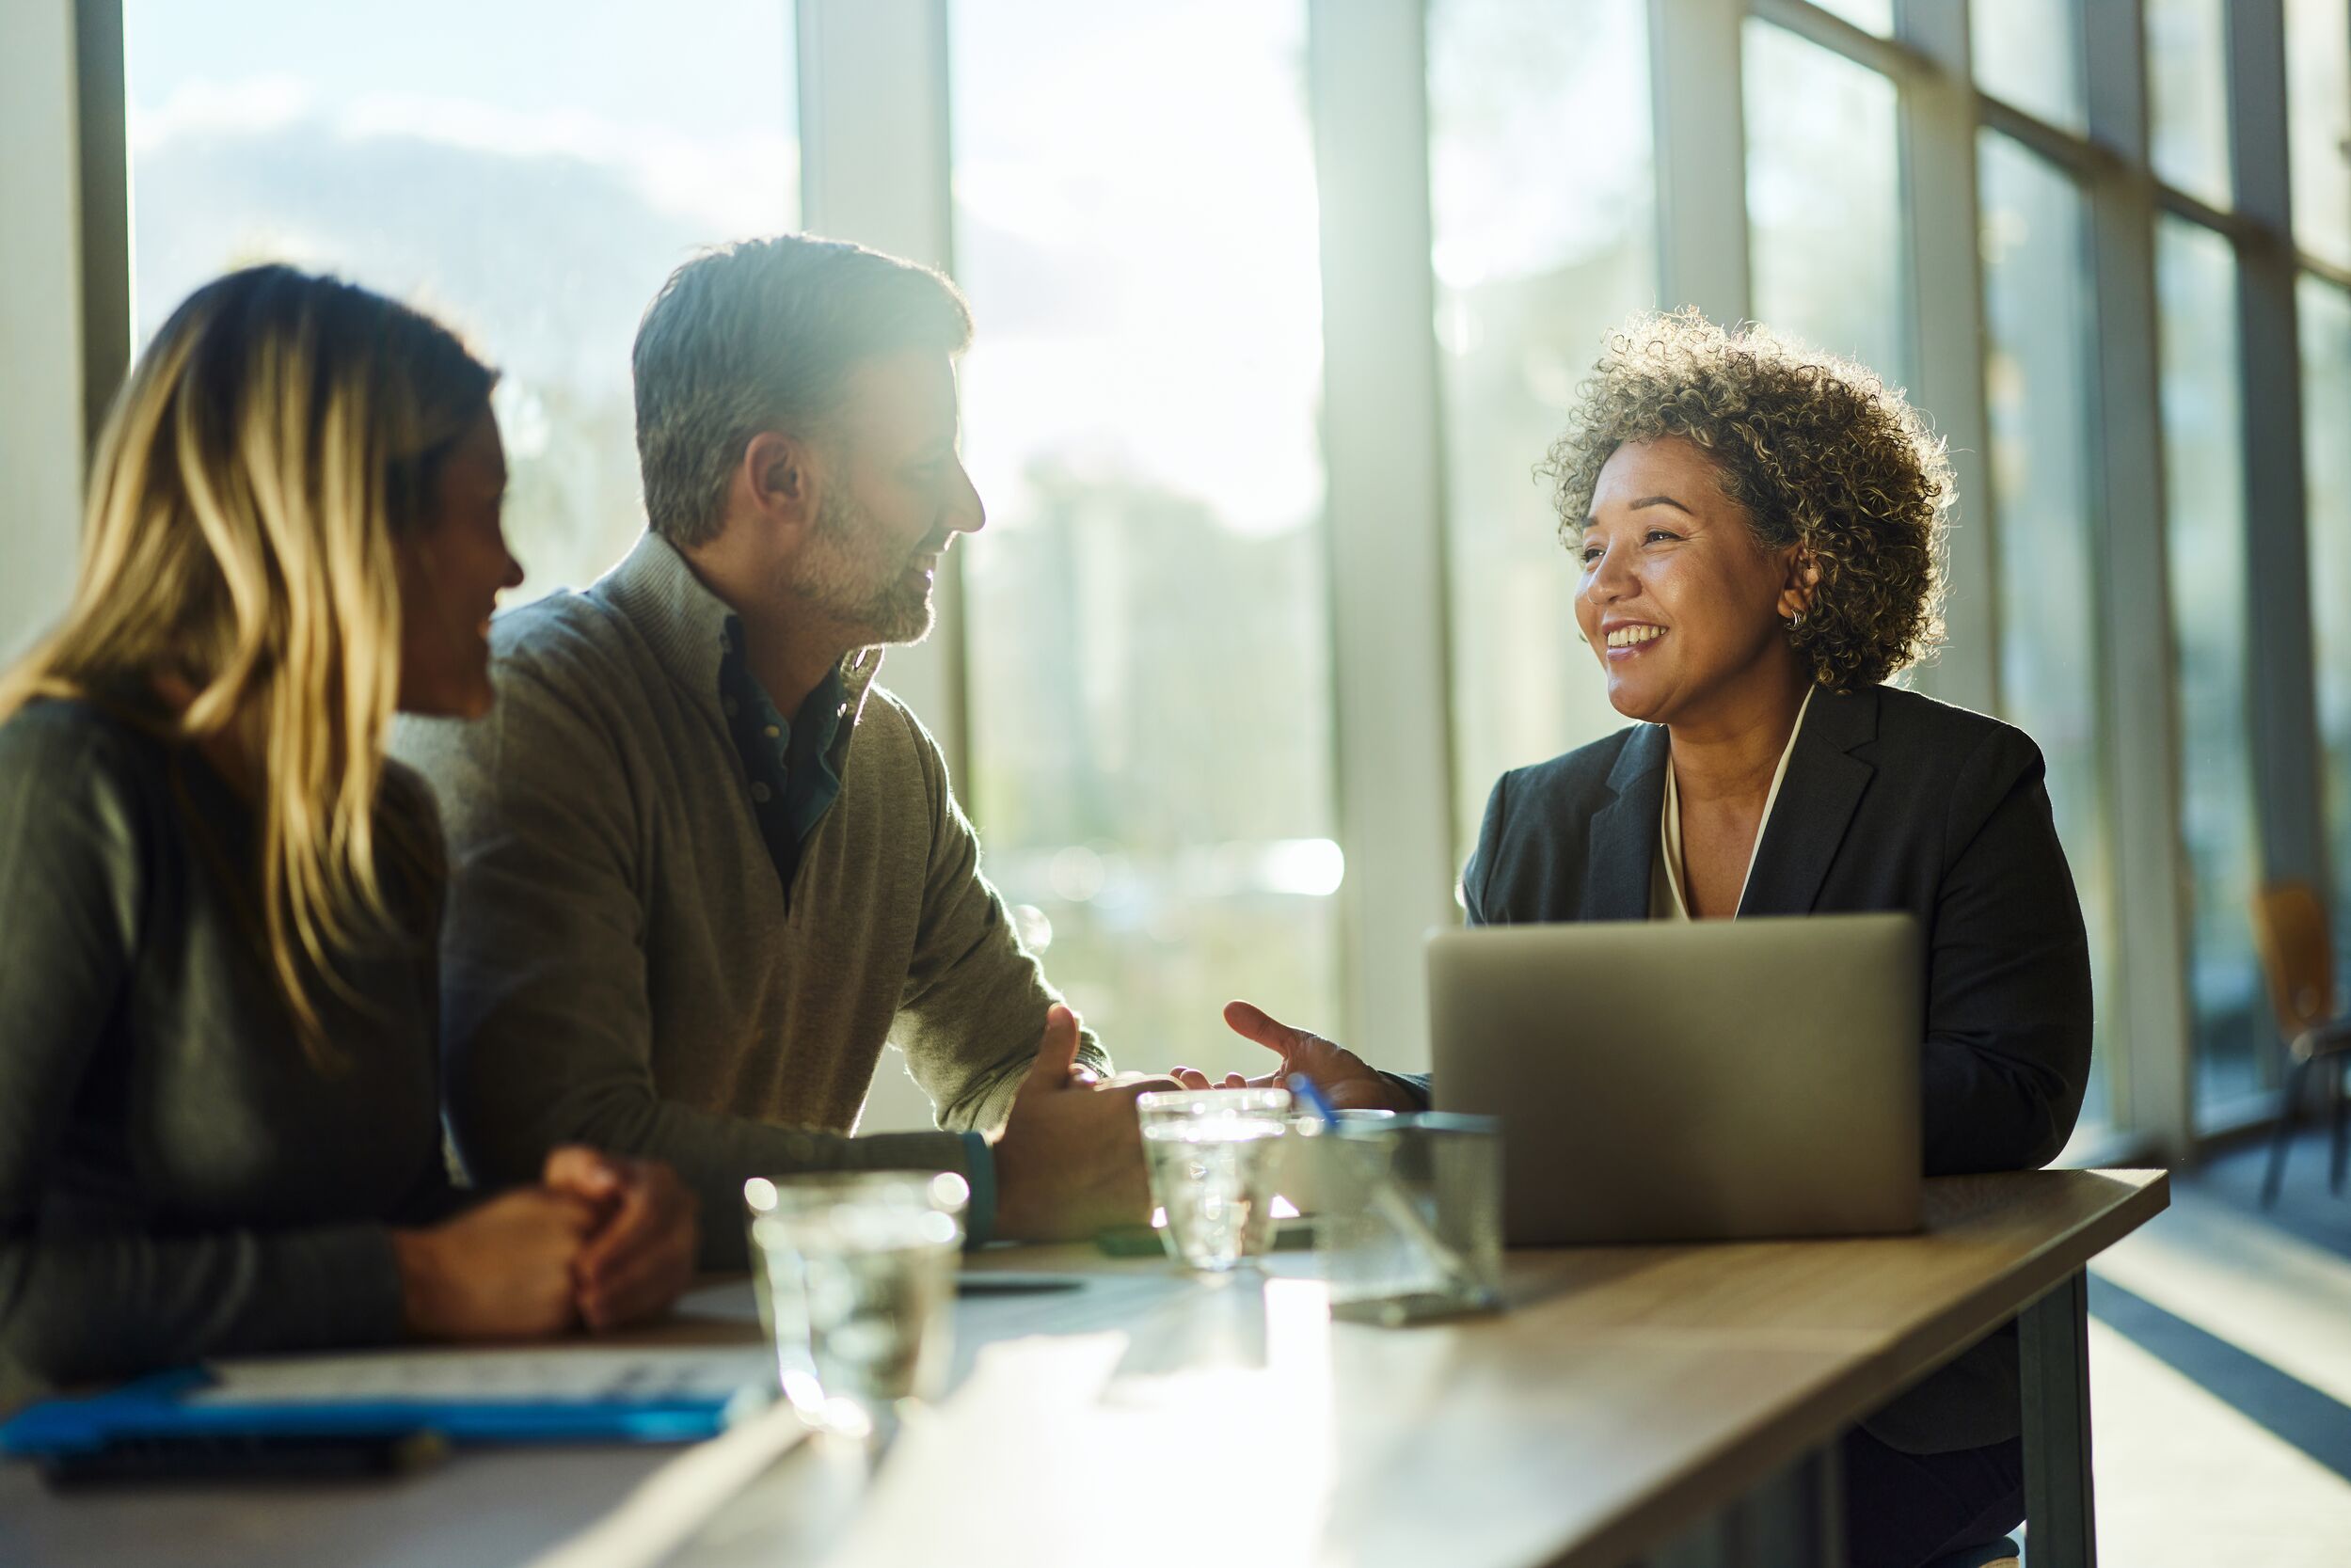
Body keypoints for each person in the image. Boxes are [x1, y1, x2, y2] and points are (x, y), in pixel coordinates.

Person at [1182, 309, 2091, 1568]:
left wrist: (1694, 1093)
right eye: (1591, 546)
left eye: (1655, 538)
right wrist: (1393, 1098)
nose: (1602, 583)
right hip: (1605, 1353)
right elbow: (1541, 1100)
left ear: (1798, 569)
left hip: (1883, 1398)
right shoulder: (1534, 818)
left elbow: (2015, 1090)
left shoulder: (1959, 781)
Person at [0, 266, 698, 1408]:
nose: (513, 569)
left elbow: (395, 1216)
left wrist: (593, 1231)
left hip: (344, 1491)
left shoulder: (387, 827)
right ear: (348, 525)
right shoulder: (70, 786)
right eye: (483, 510)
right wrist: (419, 1278)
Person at [391, 235, 1163, 1266]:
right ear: (780, 477)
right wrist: (985, 1185)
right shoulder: (530, 708)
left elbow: (1017, 1064)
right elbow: (565, 1151)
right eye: (924, 465)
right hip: (539, 1402)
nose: (966, 508)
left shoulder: (889, 764)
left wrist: (1120, 1124)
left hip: (776, 1370)